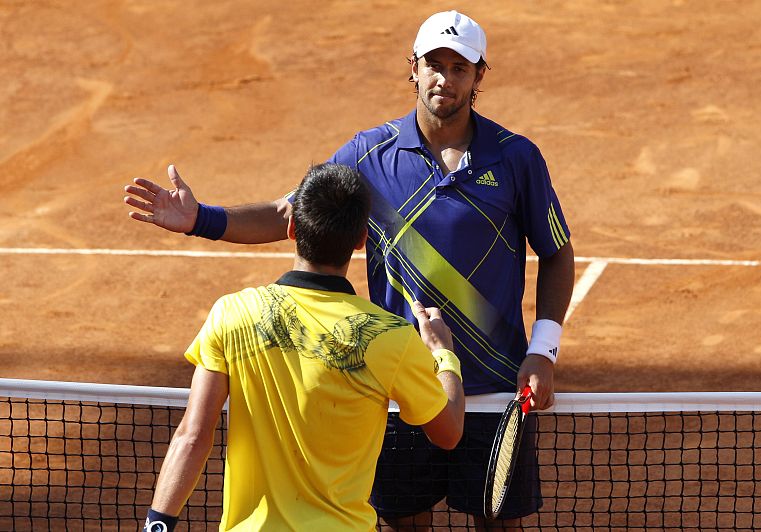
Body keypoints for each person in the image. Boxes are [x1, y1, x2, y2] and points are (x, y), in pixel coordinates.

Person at [126, 10, 574, 530]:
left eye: (459, 68)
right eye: (434, 64)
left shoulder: (516, 158)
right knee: (404, 523)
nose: (444, 79)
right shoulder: (368, 154)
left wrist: (544, 351)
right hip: (400, 382)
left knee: (499, 525)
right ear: (414, 68)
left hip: (495, 388)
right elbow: (289, 212)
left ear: (478, 77)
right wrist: (199, 219)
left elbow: (557, 251)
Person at [140, 163, 465, 532]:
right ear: (361, 239)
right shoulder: (390, 336)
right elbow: (448, 432)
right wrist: (444, 355)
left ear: (291, 228)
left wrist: (157, 526)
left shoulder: (233, 313)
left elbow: (192, 435)